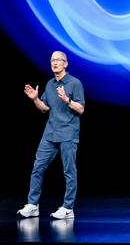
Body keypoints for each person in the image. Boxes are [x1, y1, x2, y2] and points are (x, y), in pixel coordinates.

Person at [17, 50, 85, 220]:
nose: (54, 63)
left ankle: (68, 208)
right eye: (52, 60)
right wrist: (35, 99)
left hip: (68, 133)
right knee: (37, 167)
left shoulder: (75, 83)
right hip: (50, 133)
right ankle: (33, 205)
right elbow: (44, 108)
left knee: (69, 171)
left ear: (65, 63)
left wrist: (67, 100)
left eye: (58, 60)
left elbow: (81, 109)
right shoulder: (49, 84)